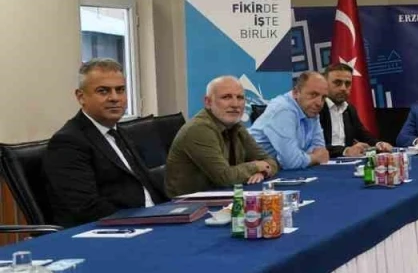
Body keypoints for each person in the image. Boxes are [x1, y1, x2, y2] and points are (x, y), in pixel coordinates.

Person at [44, 58, 168, 226]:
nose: (115, 98)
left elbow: (145, 185)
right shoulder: (68, 142)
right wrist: (144, 220)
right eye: (103, 91)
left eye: (120, 90)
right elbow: (86, 208)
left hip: (154, 218)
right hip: (117, 228)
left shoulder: (120, 133)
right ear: (81, 97)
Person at [165, 76, 279, 197]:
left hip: (223, 196)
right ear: (208, 102)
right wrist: (256, 166)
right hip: (191, 204)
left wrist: (262, 172)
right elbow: (225, 177)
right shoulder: (199, 129)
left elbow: (270, 161)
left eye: (240, 98)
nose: (235, 104)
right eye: (226, 97)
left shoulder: (236, 125)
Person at [249, 71, 330, 170]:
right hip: (251, 169)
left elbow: (320, 149)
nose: (319, 103)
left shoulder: (310, 110)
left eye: (323, 97)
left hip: (275, 169)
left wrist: (304, 156)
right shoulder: (283, 109)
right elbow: (291, 162)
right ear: (296, 92)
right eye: (313, 94)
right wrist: (315, 158)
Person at [319, 62, 392, 158]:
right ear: (325, 84)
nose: (343, 88)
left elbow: (362, 133)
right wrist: (345, 150)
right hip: (323, 161)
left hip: (346, 161)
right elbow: (315, 146)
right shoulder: (317, 108)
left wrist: (379, 144)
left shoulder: (349, 109)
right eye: (337, 83)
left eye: (347, 84)